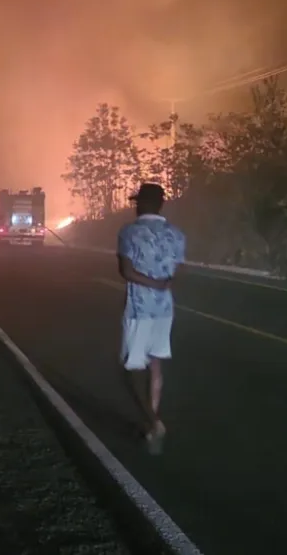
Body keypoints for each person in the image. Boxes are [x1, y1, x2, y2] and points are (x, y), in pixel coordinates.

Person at [116, 182, 186, 455]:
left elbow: (126, 271)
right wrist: (162, 284)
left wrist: (151, 284)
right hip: (165, 309)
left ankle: (153, 422)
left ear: (142, 204)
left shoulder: (130, 232)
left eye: (137, 203)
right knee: (155, 366)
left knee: (129, 370)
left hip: (139, 309)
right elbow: (177, 270)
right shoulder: (176, 235)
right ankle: (150, 424)